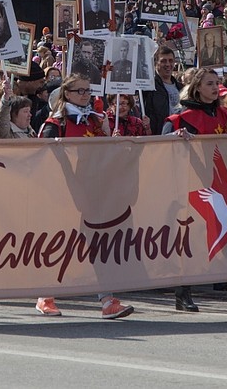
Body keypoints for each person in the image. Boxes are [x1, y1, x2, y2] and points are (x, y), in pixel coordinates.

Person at [35, 73, 135, 320]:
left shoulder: (95, 121)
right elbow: (44, 161)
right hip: (63, 194)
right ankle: (45, 295)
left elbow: (104, 159)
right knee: (60, 245)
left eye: (88, 90)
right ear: (66, 94)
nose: (85, 95)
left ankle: (107, 301)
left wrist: (110, 141)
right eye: (80, 91)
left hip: (92, 194)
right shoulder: (54, 125)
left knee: (97, 246)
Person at [163, 67, 227, 315]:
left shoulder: (224, 114)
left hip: (219, 186)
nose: (215, 87)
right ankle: (183, 293)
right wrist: (176, 137)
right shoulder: (180, 118)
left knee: (224, 238)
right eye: (209, 83)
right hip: (191, 185)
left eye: (217, 83)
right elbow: (161, 147)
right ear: (197, 88)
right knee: (191, 239)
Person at [140, 45, 181, 134]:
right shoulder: (148, 87)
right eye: (163, 61)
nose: (167, 64)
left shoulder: (182, 88)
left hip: (179, 135)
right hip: (159, 136)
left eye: (170, 61)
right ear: (155, 63)